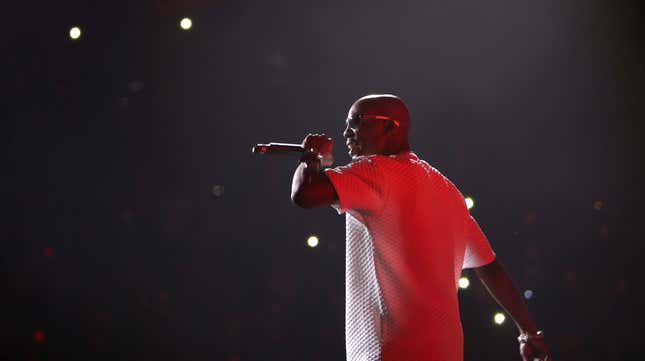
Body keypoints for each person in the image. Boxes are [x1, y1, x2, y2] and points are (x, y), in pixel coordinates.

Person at [290, 94, 551, 361]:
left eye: (356, 121)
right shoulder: (447, 190)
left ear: (390, 126)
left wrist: (311, 156)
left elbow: (305, 194)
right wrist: (528, 333)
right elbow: (490, 267)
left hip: (391, 352)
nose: (346, 132)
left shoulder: (375, 171)